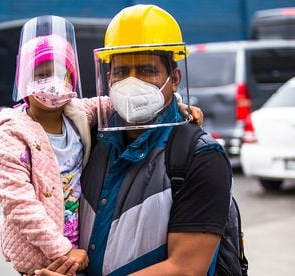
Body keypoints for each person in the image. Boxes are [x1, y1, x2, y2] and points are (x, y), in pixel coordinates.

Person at [0, 14, 203, 275]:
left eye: (61, 74)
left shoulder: (77, 113)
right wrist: (60, 249)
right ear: (23, 81)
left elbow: (128, 99)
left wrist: (178, 104)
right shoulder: (11, 136)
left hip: (77, 252)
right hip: (42, 254)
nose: (53, 83)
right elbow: (18, 204)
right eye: (41, 74)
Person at [71, 4, 232, 276]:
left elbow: (186, 269)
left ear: (174, 79)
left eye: (147, 70)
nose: (132, 83)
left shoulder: (200, 157)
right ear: (108, 77)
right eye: (121, 72)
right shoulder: (91, 142)